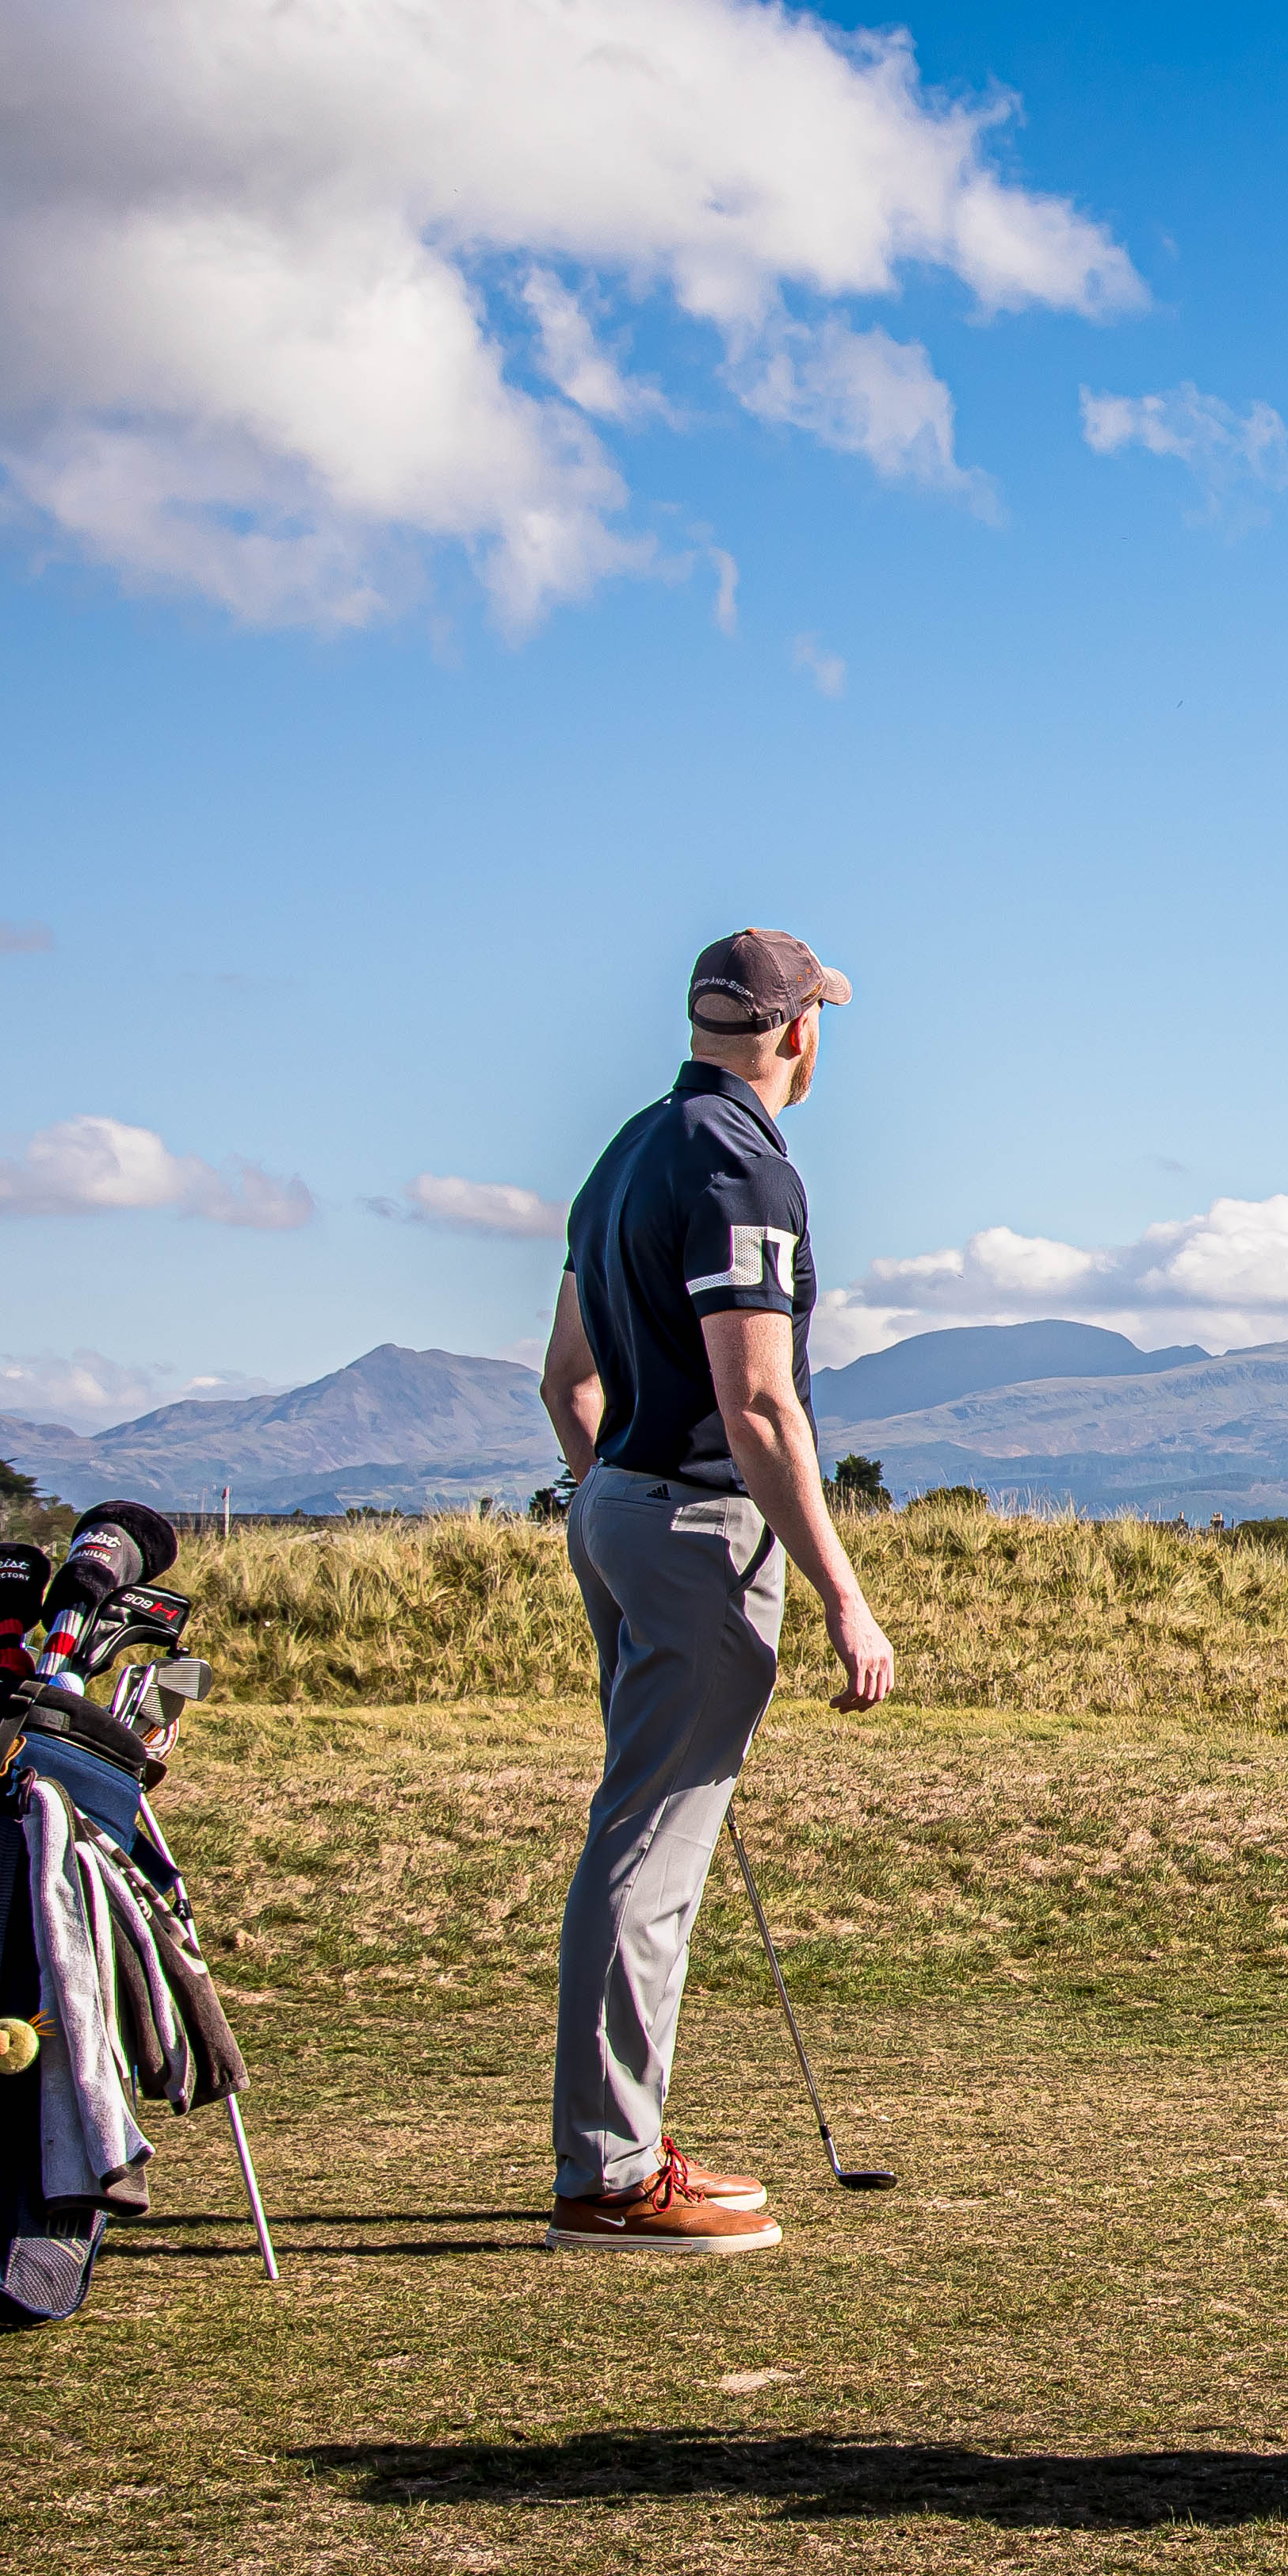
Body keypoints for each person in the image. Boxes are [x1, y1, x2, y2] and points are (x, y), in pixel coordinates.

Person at [533, 926, 902, 2251]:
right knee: (649, 1852)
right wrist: (845, 1597)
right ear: (798, 1034)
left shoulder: (626, 1151)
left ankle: (623, 2145)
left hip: (615, 1507)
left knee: (646, 1836)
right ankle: (615, 2174)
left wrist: (608, 1497)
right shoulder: (746, 1166)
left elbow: (566, 1384)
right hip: (695, 1526)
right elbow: (758, 1406)